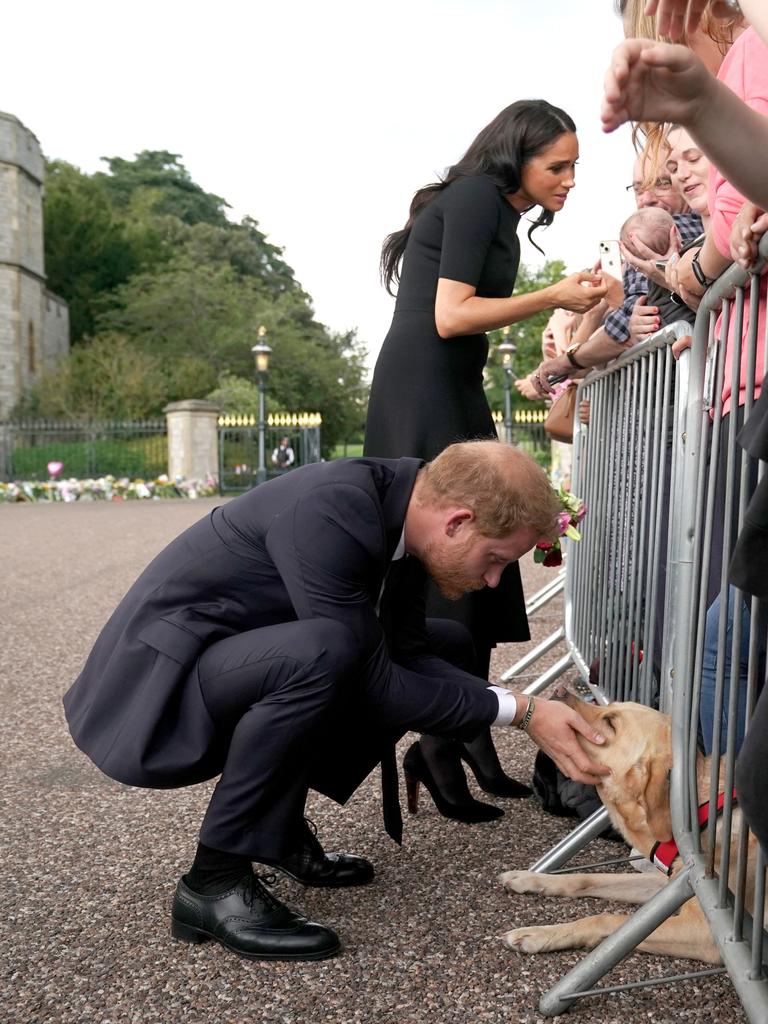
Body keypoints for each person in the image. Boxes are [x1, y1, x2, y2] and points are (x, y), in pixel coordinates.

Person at [63, 440, 608, 962]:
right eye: (494, 559)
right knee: (328, 653)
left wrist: (518, 702)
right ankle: (213, 880)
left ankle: (275, 832)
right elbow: (372, 680)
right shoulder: (335, 507)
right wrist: (525, 714)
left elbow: (409, 655)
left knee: (446, 643)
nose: (492, 581)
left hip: (227, 665)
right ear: (458, 521)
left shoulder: (402, 515)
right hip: (156, 686)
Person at [363, 99, 608, 821]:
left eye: (574, 167)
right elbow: (450, 314)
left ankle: (464, 730)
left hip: (451, 384)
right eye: (556, 166)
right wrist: (554, 295)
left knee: (480, 557)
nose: (568, 180)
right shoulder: (474, 198)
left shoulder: (495, 211)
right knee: (453, 558)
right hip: (423, 384)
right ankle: (444, 740)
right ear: (517, 156)